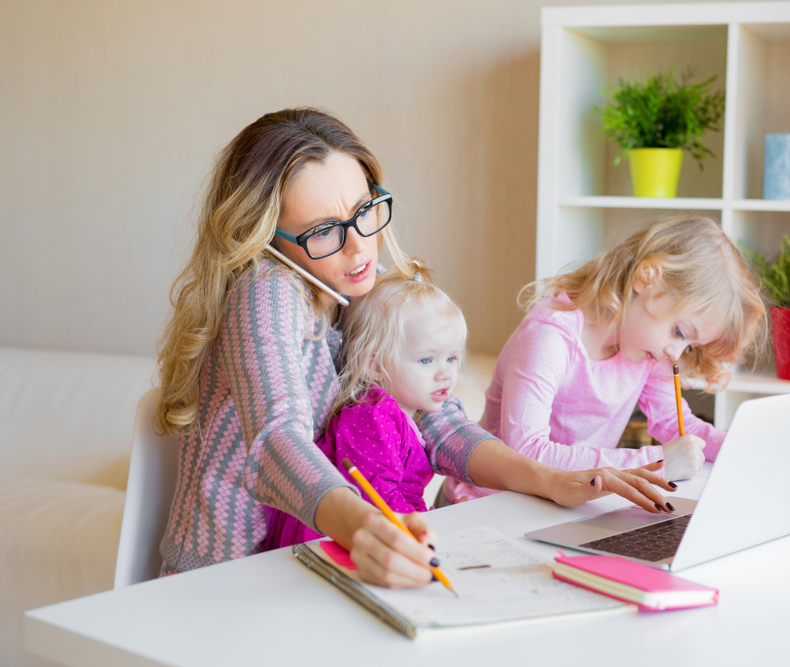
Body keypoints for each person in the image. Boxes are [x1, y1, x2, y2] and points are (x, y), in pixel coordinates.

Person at [154, 107, 670, 588]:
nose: (359, 248)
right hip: (229, 577)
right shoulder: (265, 290)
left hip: (306, 560)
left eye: (363, 213)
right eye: (322, 233)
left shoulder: (359, 284)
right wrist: (362, 528)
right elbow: (276, 440)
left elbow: (437, 420)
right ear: (266, 239)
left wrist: (549, 479)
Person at [444, 216, 767, 504]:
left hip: (568, 500)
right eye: (680, 331)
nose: (676, 353)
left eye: (690, 346)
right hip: (488, 503)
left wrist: (741, 445)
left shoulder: (646, 348)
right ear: (646, 278)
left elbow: (676, 425)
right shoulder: (551, 336)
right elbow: (526, 452)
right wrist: (653, 461)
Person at [263, 262, 475, 551]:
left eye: (452, 358)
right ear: (374, 364)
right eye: (427, 360)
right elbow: (379, 497)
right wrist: (429, 527)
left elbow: (402, 497)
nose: (446, 374)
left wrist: (434, 520)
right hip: (324, 543)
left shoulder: (403, 415)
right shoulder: (373, 415)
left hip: (374, 533)